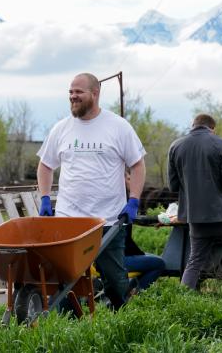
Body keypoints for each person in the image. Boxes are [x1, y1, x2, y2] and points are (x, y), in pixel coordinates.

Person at [37, 72, 147, 311]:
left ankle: (119, 321)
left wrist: (134, 201)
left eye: (78, 92)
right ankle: (67, 327)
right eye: (70, 92)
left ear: (95, 93)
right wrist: (45, 197)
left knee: (116, 282)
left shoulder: (118, 127)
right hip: (69, 221)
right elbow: (45, 166)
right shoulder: (61, 128)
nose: (73, 97)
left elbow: (137, 165)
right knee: (66, 278)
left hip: (107, 220)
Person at [167, 114, 222, 303]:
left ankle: (182, 302)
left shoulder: (175, 146)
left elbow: (173, 186)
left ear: (193, 126)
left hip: (194, 216)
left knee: (195, 260)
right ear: (212, 128)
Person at [124, 223, 165, 291]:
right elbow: (126, 242)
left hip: (104, 259)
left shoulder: (105, 216)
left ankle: (129, 291)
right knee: (159, 263)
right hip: (115, 261)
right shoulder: (120, 217)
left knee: (153, 258)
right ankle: (136, 294)